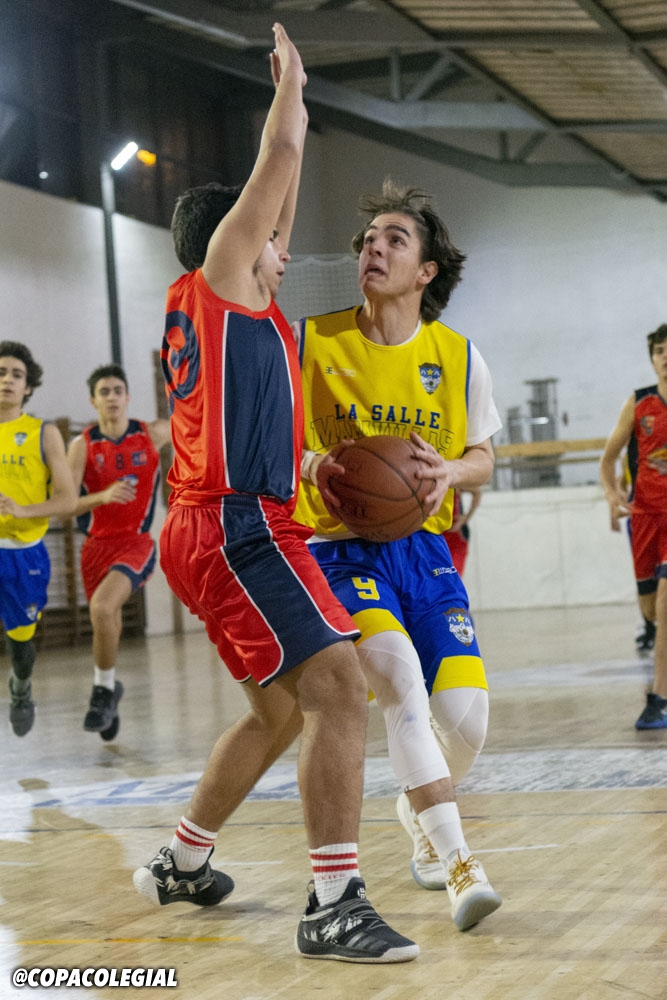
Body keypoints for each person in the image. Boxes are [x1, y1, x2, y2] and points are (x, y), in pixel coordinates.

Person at [132, 25, 418, 965]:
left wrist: (311, 466)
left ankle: (182, 860)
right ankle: (332, 902)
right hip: (234, 529)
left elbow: (280, 206)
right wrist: (292, 88)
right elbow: (281, 159)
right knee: (338, 687)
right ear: (235, 240)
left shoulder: (247, 313)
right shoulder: (219, 281)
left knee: (281, 710)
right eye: (268, 237)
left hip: (231, 518)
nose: (282, 248)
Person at [293, 180, 502, 930]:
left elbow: (482, 457)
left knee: (467, 723)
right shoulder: (312, 342)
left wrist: (447, 472)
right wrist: (311, 463)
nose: (373, 249)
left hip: (424, 550)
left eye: (394, 239)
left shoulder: (459, 357)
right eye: (367, 239)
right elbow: (264, 439)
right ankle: (459, 864)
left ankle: (416, 809)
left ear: (426, 271)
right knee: (401, 680)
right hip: (338, 550)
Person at [67, 364, 170, 740]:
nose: (111, 397)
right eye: (104, 392)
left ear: (127, 397)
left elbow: (199, 423)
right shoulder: (82, 445)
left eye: (117, 390)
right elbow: (66, 505)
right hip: (95, 547)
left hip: (135, 542)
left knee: (102, 607)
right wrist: (102, 496)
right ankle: (110, 692)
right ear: (93, 401)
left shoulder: (152, 433)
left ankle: (101, 690)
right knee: (104, 619)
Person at [0, 341, 77, 736]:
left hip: (23, 553)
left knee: (22, 646)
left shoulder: (42, 434)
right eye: (1, 373)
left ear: (28, 387)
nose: (7, 380)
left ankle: (21, 686)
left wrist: (22, 510)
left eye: (16, 375)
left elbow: (68, 500)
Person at [600, 322, 667, 729]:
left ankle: (659, 697)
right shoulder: (638, 404)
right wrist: (612, 494)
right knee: (651, 610)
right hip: (644, 518)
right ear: (653, 359)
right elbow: (608, 460)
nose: (666, 356)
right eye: (660, 350)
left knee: (666, 602)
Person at [443, 487, 482, 577]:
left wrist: (466, 518)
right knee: (434, 576)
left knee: (450, 575)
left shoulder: (454, 484)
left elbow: (477, 492)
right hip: (436, 536)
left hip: (455, 537)